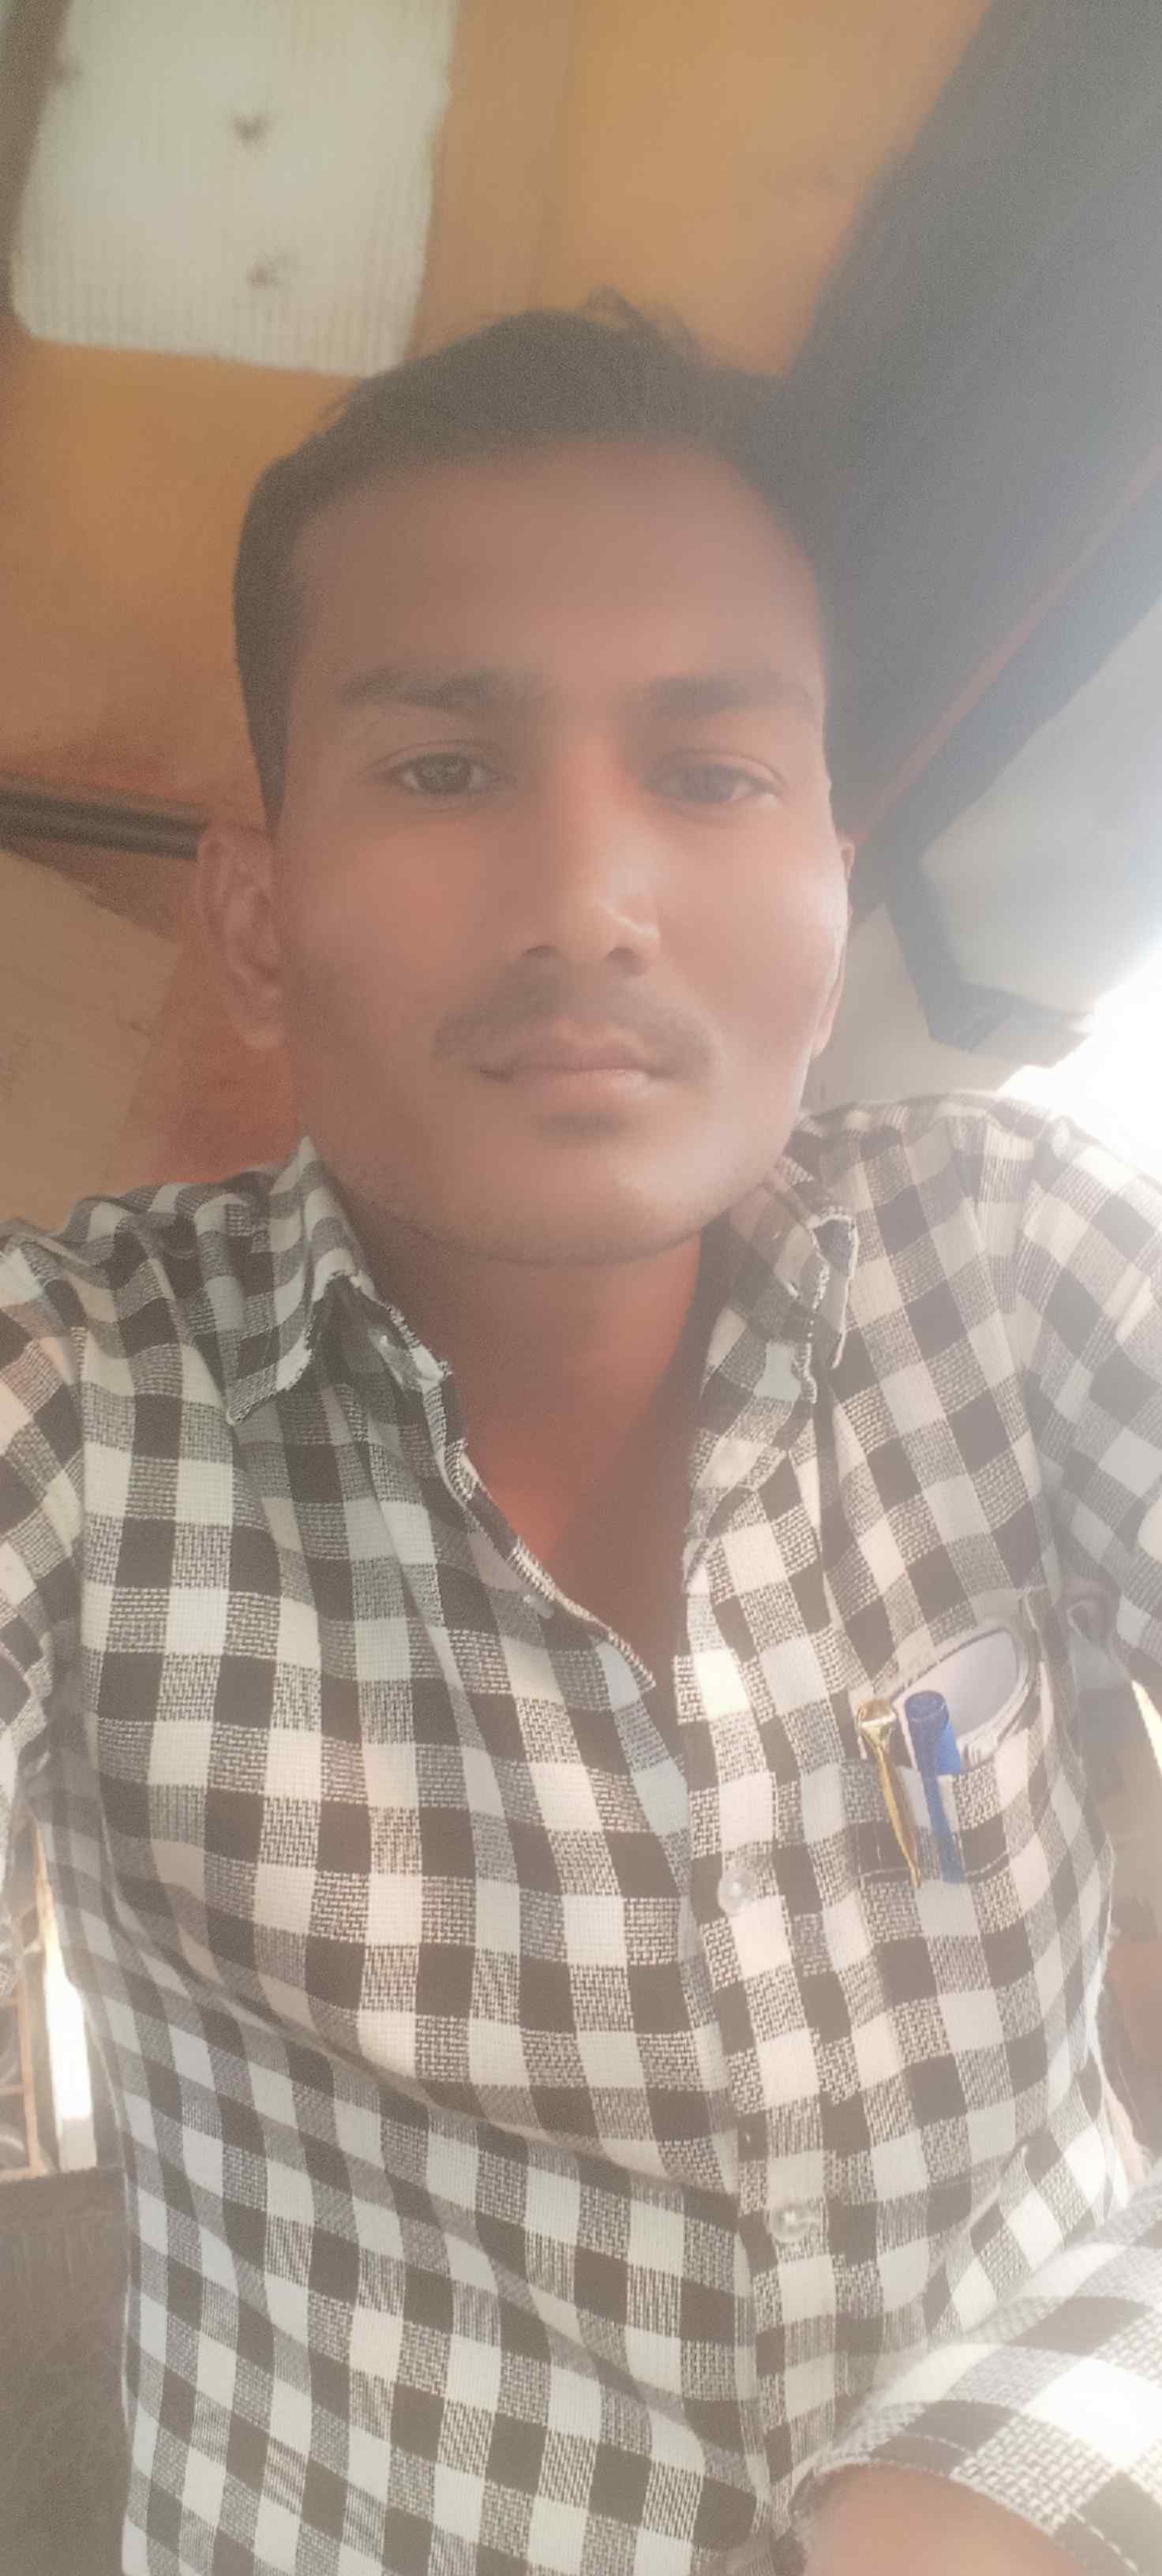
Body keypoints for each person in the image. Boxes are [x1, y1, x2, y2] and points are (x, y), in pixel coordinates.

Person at [2, 300, 1160, 2576]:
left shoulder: (1021, 1259)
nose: (590, 907)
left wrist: (1004, 2478)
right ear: (257, 916)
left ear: (833, 882)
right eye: (446, 772)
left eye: (710, 776)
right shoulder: (83, 1401)